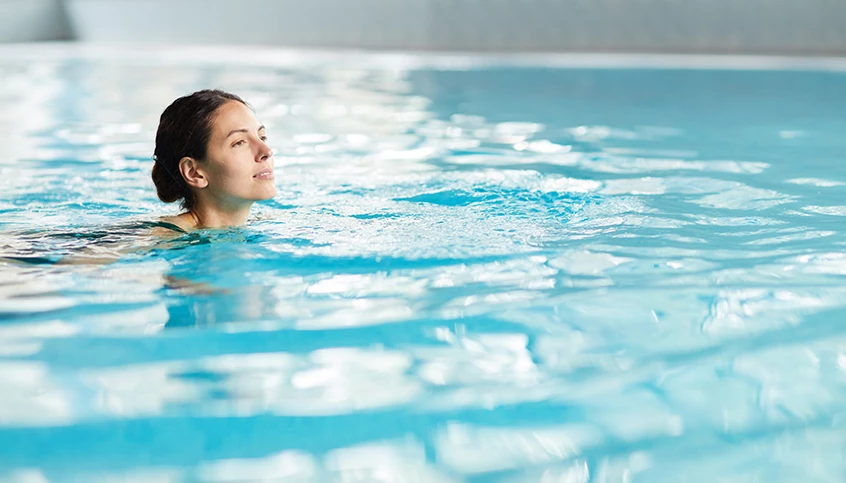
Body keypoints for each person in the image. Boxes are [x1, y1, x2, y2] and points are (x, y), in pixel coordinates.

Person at [152, 89, 277, 233]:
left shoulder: (273, 221)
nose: (266, 151)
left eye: (262, 137)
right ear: (194, 173)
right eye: (239, 142)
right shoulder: (155, 238)